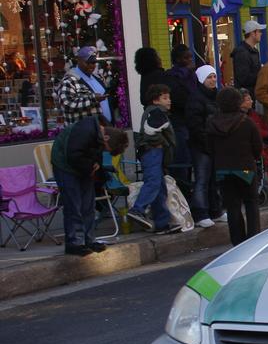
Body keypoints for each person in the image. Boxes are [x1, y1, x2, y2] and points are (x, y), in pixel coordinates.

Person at [50, 116, 129, 255]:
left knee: (88, 205)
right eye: (106, 149)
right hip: (64, 166)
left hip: (82, 166)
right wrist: (90, 166)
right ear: (106, 138)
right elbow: (73, 155)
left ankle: (89, 240)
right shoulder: (84, 132)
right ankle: (74, 243)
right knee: (73, 205)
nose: (104, 151)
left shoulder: (100, 135)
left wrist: (96, 164)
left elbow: (95, 153)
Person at [205, 87, 263, 246]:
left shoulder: (212, 123)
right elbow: (257, 146)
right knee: (251, 203)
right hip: (245, 168)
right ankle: (253, 240)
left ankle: (237, 242)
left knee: (232, 206)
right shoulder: (247, 122)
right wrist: (254, 158)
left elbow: (209, 148)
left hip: (222, 169)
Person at [127, 84, 179, 233]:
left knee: (160, 188)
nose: (169, 101)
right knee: (153, 182)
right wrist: (164, 144)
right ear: (155, 100)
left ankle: (162, 222)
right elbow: (150, 132)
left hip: (153, 153)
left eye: (169, 97)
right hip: (153, 152)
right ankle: (138, 209)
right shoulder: (157, 112)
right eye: (165, 98)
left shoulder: (155, 112)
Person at [187, 64, 223, 228]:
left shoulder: (217, 96)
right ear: (201, 79)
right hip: (201, 146)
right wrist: (206, 142)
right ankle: (200, 213)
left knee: (214, 180)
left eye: (214, 76)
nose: (213, 80)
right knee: (202, 179)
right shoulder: (195, 99)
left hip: (215, 144)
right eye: (209, 77)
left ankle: (215, 210)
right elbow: (195, 125)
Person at [57, 46, 109, 124]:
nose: (91, 65)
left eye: (93, 62)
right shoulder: (68, 81)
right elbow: (67, 105)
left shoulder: (97, 77)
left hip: (103, 130)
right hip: (84, 133)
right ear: (79, 60)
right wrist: (93, 99)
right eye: (88, 62)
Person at [232, 20, 265, 98]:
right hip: (245, 98)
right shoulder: (241, 52)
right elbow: (243, 78)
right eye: (259, 31)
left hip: (253, 94)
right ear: (253, 33)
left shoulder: (254, 51)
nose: (261, 33)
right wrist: (262, 74)